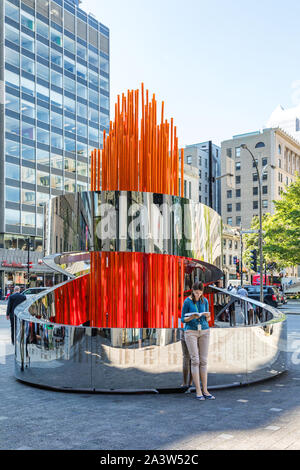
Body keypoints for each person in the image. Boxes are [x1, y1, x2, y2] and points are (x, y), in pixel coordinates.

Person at [181, 282, 215, 401]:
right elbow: (182, 319)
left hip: (204, 330)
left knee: (204, 361)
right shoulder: (187, 301)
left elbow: (209, 317)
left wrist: (207, 316)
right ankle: (198, 391)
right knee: (195, 360)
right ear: (192, 290)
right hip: (191, 331)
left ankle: (205, 390)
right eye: (196, 292)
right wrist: (192, 317)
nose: (198, 294)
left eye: (200, 292)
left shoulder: (204, 301)